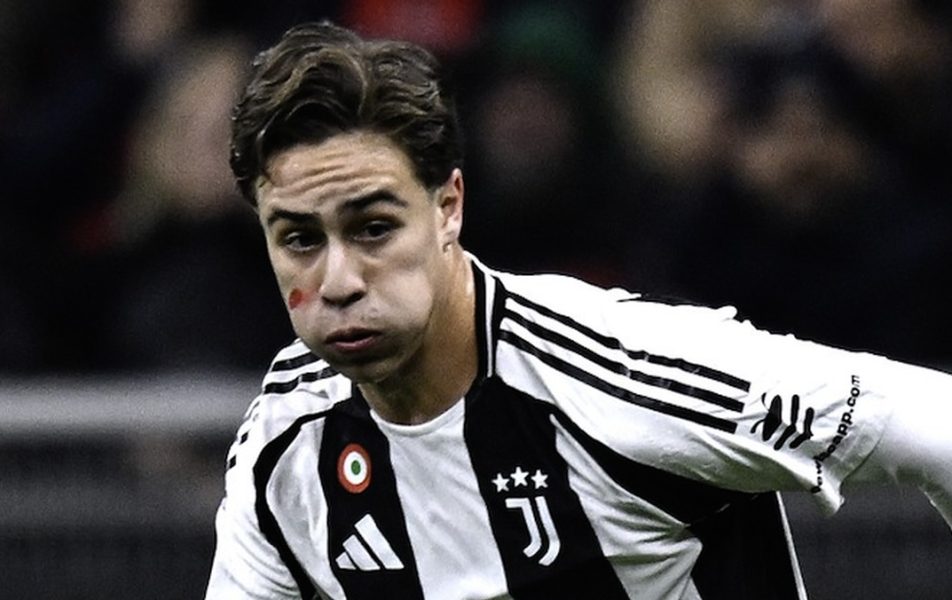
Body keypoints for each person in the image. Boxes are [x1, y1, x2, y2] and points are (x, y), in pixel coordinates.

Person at [205, 22, 952, 599]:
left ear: (448, 208)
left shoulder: (624, 372)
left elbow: (932, 420)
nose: (337, 280)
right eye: (299, 238)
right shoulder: (285, 439)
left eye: (373, 228)